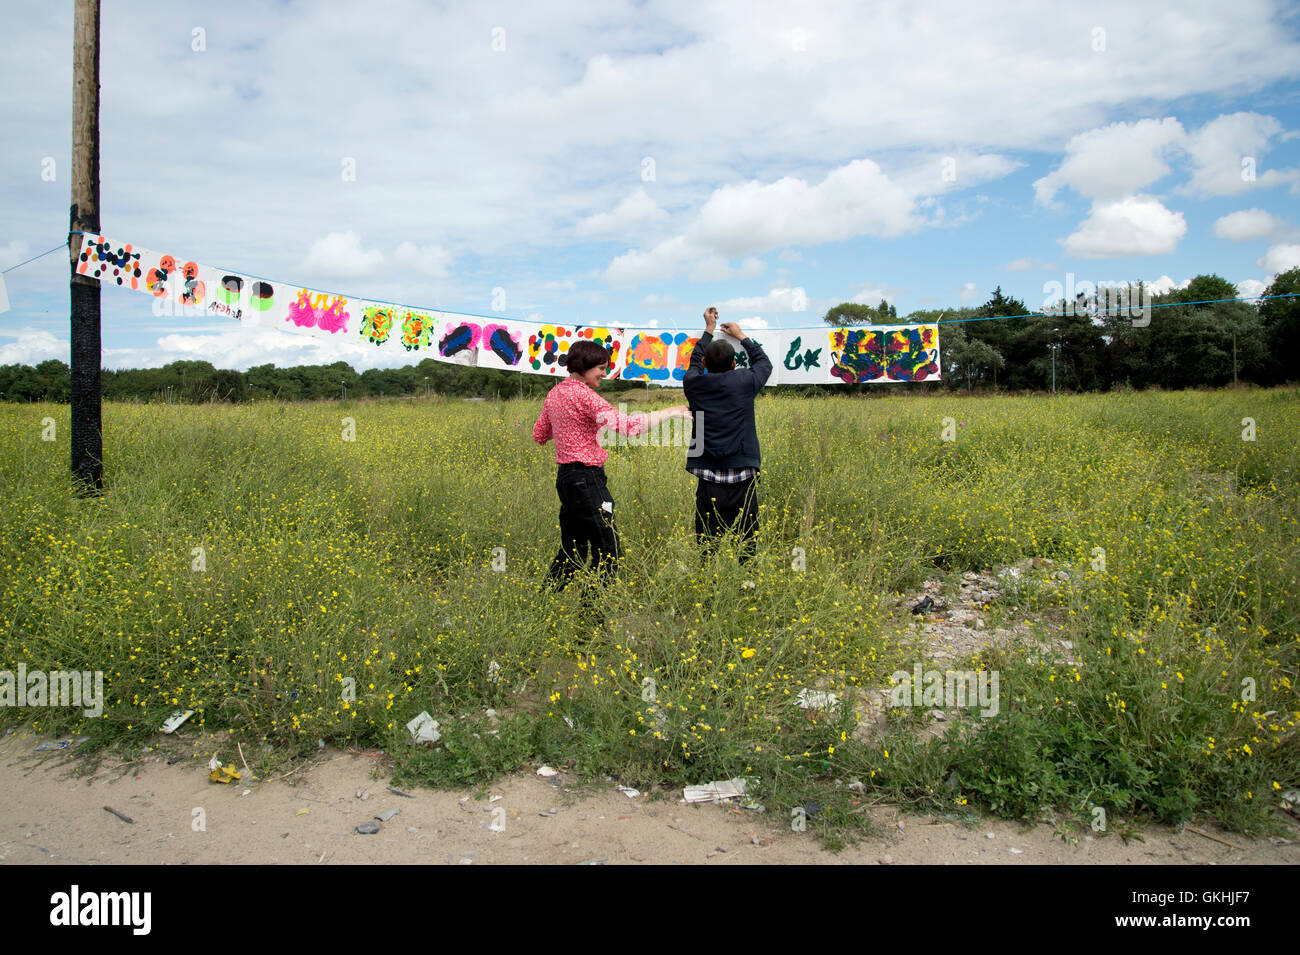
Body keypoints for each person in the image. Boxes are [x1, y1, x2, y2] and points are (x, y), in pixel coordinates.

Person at [534, 339, 691, 590]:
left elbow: (539, 434)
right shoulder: (586, 397)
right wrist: (670, 411)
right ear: (584, 365)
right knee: (609, 551)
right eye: (601, 368)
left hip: (566, 481)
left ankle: (544, 602)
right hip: (587, 481)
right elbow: (630, 427)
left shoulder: (555, 394)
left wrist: (568, 423)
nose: (604, 374)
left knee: (573, 549)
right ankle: (593, 618)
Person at [683, 307, 772, 563]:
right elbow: (764, 363)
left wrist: (709, 329)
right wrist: (741, 335)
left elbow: (693, 363)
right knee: (747, 541)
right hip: (743, 477)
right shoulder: (744, 381)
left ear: (704, 364)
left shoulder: (694, 384)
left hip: (708, 478)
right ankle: (747, 585)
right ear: (734, 365)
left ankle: (708, 587)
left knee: (707, 544)